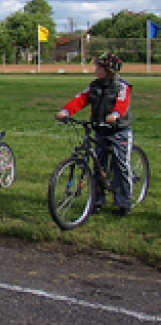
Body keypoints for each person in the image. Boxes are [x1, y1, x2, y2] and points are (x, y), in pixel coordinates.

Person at [56, 53, 135, 216]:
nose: (96, 69)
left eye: (99, 67)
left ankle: (124, 201)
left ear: (109, 70)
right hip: (100, 129)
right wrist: (66, 111)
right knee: (98, 165)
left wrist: (115, 115)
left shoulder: (122, 87)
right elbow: (81, 99)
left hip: (119, 131)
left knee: (121, 165)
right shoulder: (94, 86)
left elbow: (122, 104)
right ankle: (98, 200)